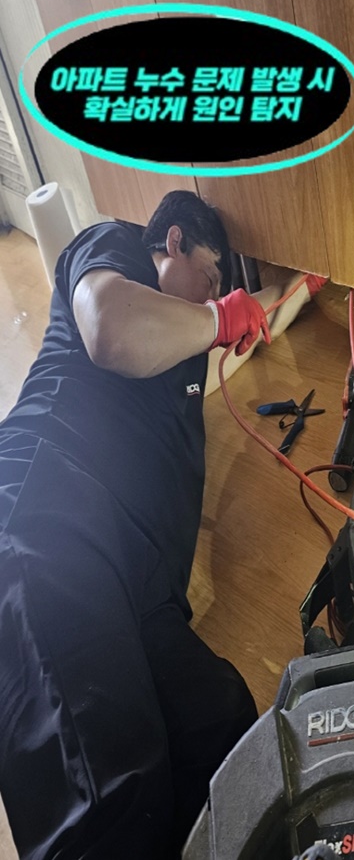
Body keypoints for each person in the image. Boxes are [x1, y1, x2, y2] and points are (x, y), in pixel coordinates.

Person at [0, 190, 271, 859]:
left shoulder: (181, 359)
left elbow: (244, 326)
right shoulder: (114, 246)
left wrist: (293, 291)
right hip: (49, 517)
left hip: (143, 587)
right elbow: (112, 331)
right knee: (112, 799)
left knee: (225, 734)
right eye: (210, 273)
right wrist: (218, 314)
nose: (213, 293)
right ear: (172, 240)